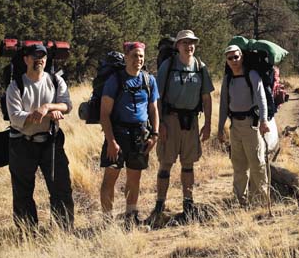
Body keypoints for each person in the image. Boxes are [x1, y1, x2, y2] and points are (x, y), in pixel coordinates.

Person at [6, 43, 74, 229]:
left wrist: (47, 108)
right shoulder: (16, 86)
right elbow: (15, 117)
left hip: (50, 141)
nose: (40, 60)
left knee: (61, 188)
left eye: (42, 56)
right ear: (26, 59)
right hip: (22, 143)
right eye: (35, 56)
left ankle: (63, 230)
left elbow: (67, 105)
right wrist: (40, 115)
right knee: (22, 191)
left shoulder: (55, 81)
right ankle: (27, 233)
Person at [148, 30, 213, 223]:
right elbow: (156, 98)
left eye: (192, 42)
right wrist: (159, 126)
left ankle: (188, 204)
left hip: (191, 122)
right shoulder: (168, 66)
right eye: (184, 42)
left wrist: (208, 124)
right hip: (170, 120)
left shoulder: (200, 67)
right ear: (177, 46)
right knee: (165, 163)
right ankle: (160, 205)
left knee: (188, 164)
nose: (189, 46)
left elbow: (206, 98)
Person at [99, 42, 159, 227]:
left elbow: (153, 109)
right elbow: (104, 114)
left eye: (141, 56)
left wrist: (154, 134)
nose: (138, 60)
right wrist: (111, 141)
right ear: (126, 57)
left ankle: (131, 216)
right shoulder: (115, 80)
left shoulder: (149, 80)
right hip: (118, 135)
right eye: (134, 56)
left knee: (135, 178)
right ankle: (107, 221)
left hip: (140, 135)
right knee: (111, 177)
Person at [217, 45, 270, 206]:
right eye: (230, 58)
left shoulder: (252, 75)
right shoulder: (228, 79)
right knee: (238, 165)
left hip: (251, 125)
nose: (234, 60)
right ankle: (240, 199)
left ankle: (260, 200)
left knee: (256, 163)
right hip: (235, 127)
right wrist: (220, 128)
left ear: (242, 57)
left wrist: (264, 120)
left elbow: (262, 99)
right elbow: (223, 105)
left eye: (236, 57)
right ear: (226, 60)